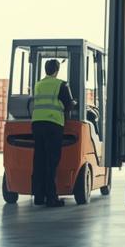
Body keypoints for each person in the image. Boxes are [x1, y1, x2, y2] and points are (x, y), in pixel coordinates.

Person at [30, 58, 75, 208]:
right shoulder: (61, 84)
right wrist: (73, 104)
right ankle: (51, 198)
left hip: (37, 124)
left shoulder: (38, 84)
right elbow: (68, 104)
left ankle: (38, 196)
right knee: (51, 162)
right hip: (53, 124)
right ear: (57, 70)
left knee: (39, 161)